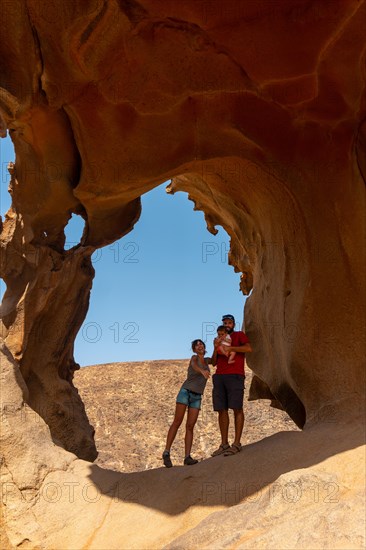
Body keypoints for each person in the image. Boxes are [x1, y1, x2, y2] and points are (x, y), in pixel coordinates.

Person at [162, 339, 211, 467]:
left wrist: (218, 345)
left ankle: (187, 457)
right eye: (197, 345)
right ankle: (166, 452)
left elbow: (216, 359)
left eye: (201, 344)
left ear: (204, 347)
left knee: (190, 426)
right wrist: (202, 371)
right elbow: (194, 365)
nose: (199, 346)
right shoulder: (194, 358)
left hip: (197, 396)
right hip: (186, 392)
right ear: (194, 349)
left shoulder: (207, 361)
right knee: (177, 421)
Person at [211, 314, 252, 457]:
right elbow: (214, 361)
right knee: (221, 409)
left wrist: (231, 348)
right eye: (225, 323)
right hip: (220, 375)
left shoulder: (239, 335)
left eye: (229, 322)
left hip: (235, 375)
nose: (227, 325)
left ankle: (237, 444)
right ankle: (224, 444)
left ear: (233, 324)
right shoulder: (220, 338)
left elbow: (248, 348)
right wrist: (215, 347)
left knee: (237, 408)